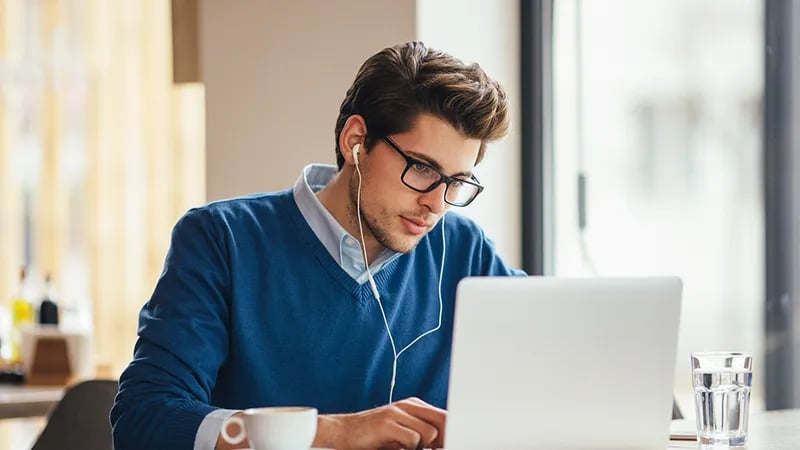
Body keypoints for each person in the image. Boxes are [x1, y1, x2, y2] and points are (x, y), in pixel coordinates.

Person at [110, 41, 524, 450]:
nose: (436, 204)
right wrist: (333, 435)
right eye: (420, 168)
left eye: (456, 182)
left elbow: (550, 367)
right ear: (356, 141)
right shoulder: (222, 240)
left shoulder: (467, 251)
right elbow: (146, 417)